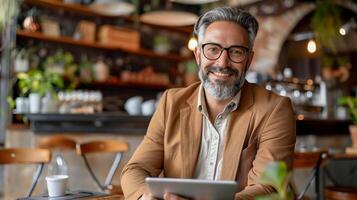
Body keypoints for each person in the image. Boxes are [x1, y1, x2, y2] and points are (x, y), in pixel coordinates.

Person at [121, 6, 296, 200]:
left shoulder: (275, 109)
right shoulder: (171, 103)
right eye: (213, 49)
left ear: (249, 60)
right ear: (198, 55)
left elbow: (268, 188)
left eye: (236, 52)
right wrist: (144, 197)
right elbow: (136, 169)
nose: (222, 63)